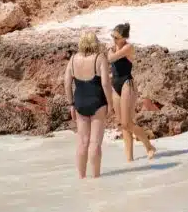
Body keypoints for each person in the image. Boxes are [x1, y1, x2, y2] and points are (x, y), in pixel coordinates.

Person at [64, 31, 113, 179]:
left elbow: (66, 83)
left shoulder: (73, 59)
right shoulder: (100, 58)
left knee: (82, 142)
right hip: (97, 101)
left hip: (79, 102)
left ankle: (81, 178)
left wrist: (71, 103)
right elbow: (105, 83)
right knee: (95, 142)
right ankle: (96, 178)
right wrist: (110, 103)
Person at [107, 22, 156, 162]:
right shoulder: (113, 47)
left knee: (127, 122)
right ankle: (129, 159)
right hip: (115, 85)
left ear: (124, 38)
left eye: (116, 37)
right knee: (123, 124)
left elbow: (111, 58)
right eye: (112, 36)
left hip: (127, 83)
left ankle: (149, 146)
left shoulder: (128, 47)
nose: (113, 40)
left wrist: (110, 51)